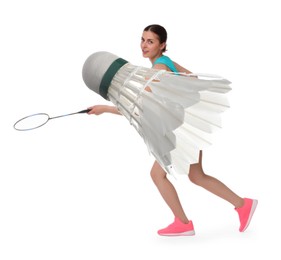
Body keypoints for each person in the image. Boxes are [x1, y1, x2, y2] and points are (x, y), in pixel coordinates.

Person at [87, 24, 258, 236]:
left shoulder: (158, 70)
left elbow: (139, 108)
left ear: (162, 44)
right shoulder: (165, 62)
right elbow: (192, 79)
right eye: (142, 39)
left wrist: (105, 109)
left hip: (178, 132)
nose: (144, 45)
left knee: (158, 175)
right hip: (182, 126)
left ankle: (184, 223)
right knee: (197, 176)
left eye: (150, 41)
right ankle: (243, 205)